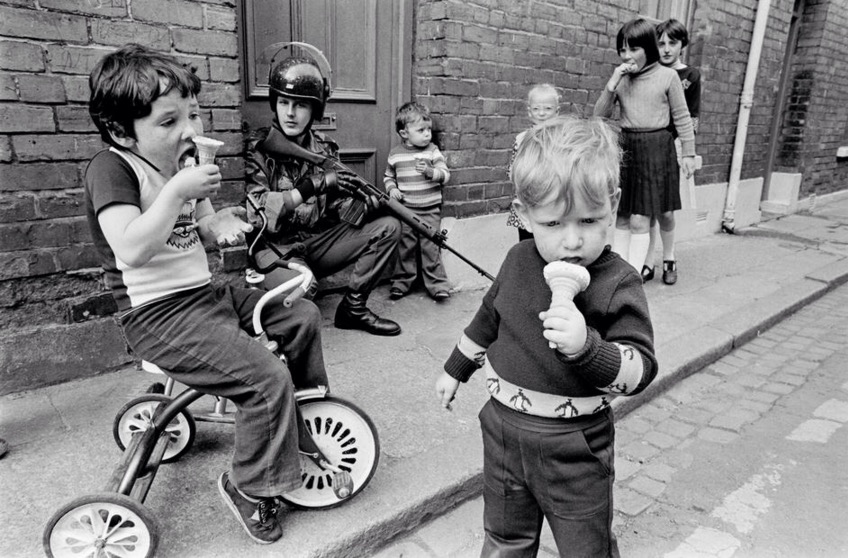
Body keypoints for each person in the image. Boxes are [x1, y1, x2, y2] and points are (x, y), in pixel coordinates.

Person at [85, 44, 329, 544]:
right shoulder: (113, 170)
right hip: (157, 317)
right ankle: (250, 485)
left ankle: (296, 420)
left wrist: (220, 222)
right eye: (168, 121)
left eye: (192, 115)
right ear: (119, 131)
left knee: (299, 314)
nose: (189, 131)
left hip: (204, 295)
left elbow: (201, 225)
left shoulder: (182, 164)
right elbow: (131, 248)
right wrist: (177, 190)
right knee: (264, 378)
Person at [435, 115, 658, 557]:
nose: (572, 241)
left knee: (585, 546)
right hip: (502, 431)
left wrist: (588, 348)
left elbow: (640, 370)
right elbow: (487, 319)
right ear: (524, 215)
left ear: (613, 207)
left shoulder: (618, 282)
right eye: (554, 225)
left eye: (589, 220)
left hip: (574, 444)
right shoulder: (518, 260)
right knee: (504, 538)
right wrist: (455, 369)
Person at [245, 54, 402, 336]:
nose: (290, 113)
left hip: (316, 242)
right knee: (303, 290)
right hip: (275, 249)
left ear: (315, 110)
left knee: (388, 227)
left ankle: (353, 308)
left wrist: (364, 207)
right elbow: (258, 215)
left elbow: (336, 209)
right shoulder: (260, 148)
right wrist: (312, 185)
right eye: (283, 103)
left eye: (301, 105)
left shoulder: (326, 149)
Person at [594, 18, 697, 285]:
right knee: (623, 217)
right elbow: (599, 117)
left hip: (656, 149)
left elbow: (683, 117)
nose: (627, 56)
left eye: (633, 49)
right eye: (623, 49)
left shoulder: (668, 76)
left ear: (647, 49)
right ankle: (618, 274)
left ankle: (632, 276)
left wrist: (688, 153)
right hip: (627, 148)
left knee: (643, 219)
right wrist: (612, 83)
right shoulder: (622, 79)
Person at [642, 18, 702, 284]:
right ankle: (647, 262)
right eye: (661, 43)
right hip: (647, 145)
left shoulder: (689, 76)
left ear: (682, 45)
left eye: (672, 43)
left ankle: (669, 257)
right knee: (645, 208)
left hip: (673, 146)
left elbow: (691, 117)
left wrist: (687, 152)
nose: (666, 49)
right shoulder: (648, 72)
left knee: (664, 209)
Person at [383, 102, 452, 301]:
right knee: (406, 247)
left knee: (431, 247)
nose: (427, 134)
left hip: (430, 210)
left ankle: (438, 285)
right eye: (421, 130)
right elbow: (388, 177)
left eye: (428, 129)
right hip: (406, 211)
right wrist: (392, 189)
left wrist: (431, 172)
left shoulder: (432, 151)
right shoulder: (396, 154)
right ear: (404, 133)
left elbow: (445, 175)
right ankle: (402, 282)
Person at [506, 83, 561, 241]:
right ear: (529, 112)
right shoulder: (522, 139)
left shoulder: (563, 139)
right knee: (528, 243)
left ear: (557, 112)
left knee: (552, 241)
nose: (542, 114)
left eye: (548, 109)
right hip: (529, 199)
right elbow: (513, 172)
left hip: (554, 200)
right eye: (536, 109)